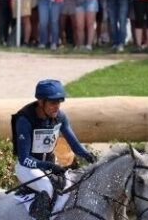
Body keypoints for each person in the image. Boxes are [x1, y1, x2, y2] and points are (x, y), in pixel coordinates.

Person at [11, 79, 96, 220]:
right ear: (40, 102)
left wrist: (87, 155)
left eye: (59, 102)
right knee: (47, 187)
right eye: (52, 103)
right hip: (27, 168)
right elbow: (24, 159)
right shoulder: (24, 119)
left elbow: (74, 144)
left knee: (70, 188)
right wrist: (49, 166)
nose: (56, 107)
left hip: (49, 166)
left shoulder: (60, 117)